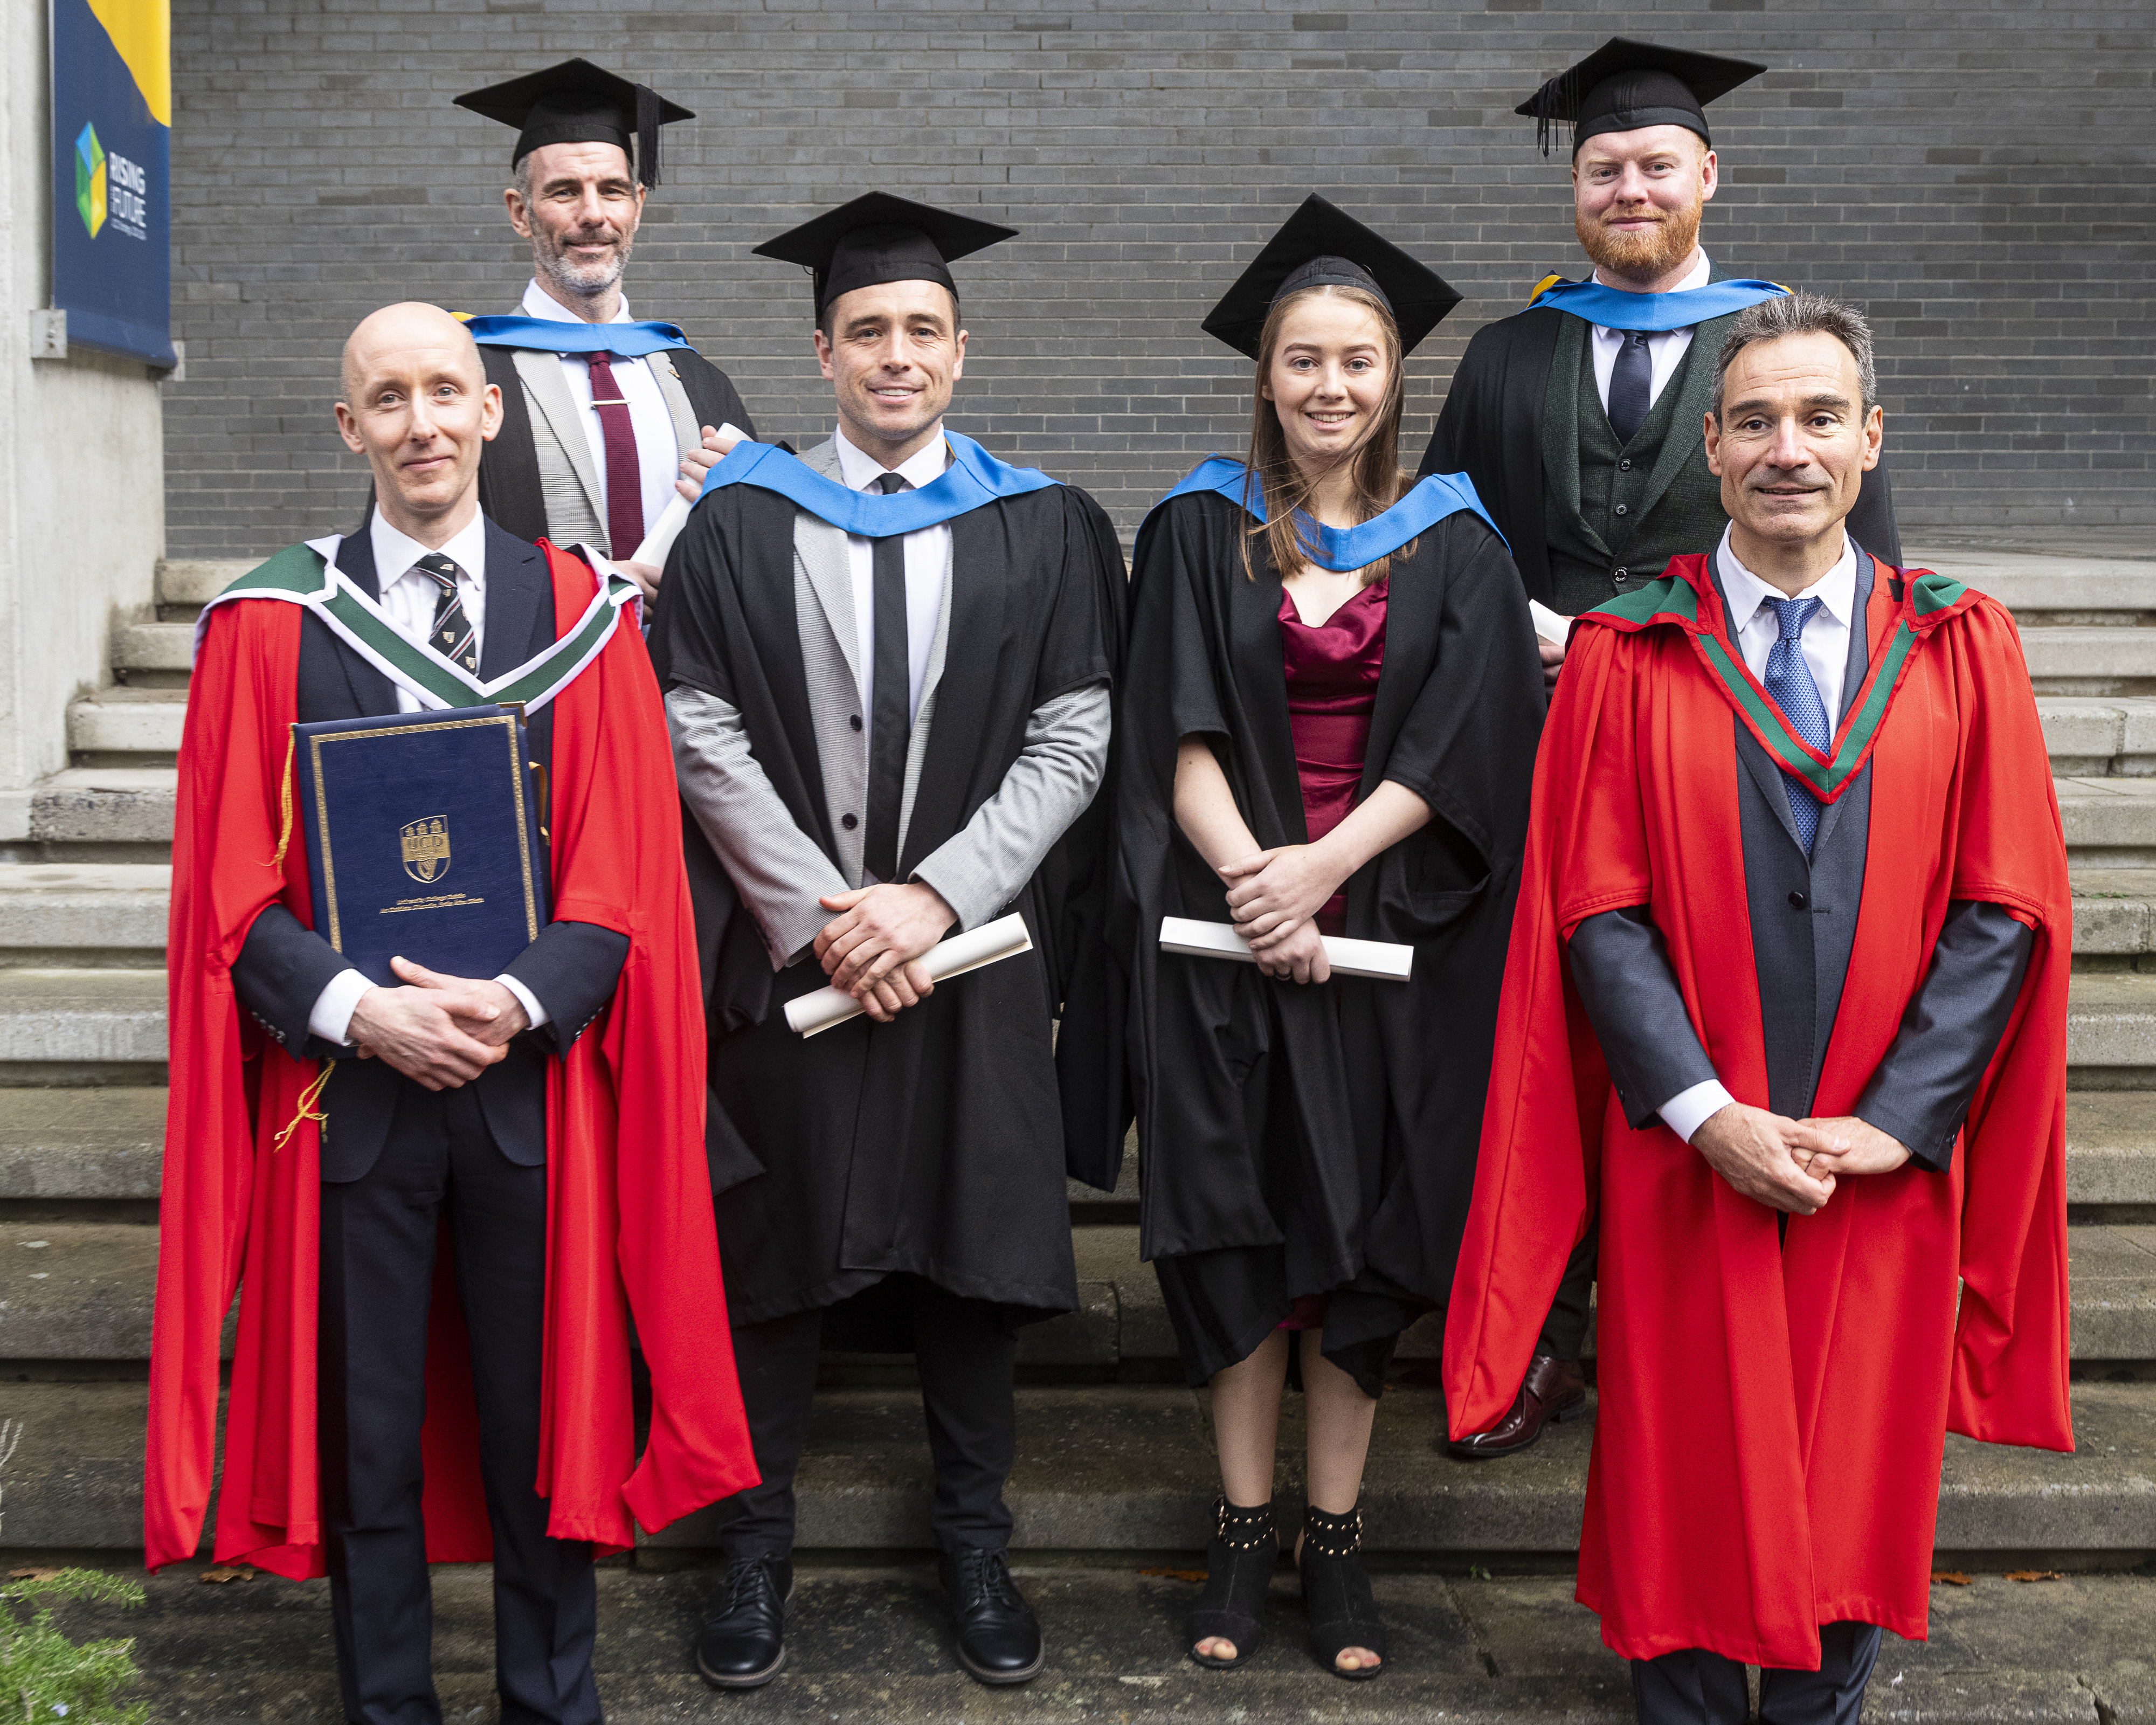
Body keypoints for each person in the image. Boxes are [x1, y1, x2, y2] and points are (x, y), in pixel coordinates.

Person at [1444, 294, 2071, 1724]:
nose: (1790, 448)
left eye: (1821, 417)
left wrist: (1899, 1125)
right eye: (1758, 422)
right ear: (1713, 450)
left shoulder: (1962, 645)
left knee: (1856, 1452)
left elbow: (2007, 904)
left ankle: (1822, 1700)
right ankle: (1679, 1700)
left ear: (1870, 441)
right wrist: (1704, 1108)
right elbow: (1592, 907)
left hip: (1879, 1156)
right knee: (1684, 1445)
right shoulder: (1627, 649)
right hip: (1691, 1146)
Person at [146, 301, 757, 1725]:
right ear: (348, 428)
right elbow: (229, 894)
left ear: (489, 413)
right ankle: (389, 1708)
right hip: (348, 1105)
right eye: (387, 399)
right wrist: (363, 1011)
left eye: (444, 392)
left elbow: (626, 878)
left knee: (546, 1435)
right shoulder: (269, 623)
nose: (420, 421)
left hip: (532, 1096)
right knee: (365, 1445)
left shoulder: (581, 617)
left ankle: (552, 1702)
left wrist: (518, 999)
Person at [647, 192, 1125, 1691]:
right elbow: (693, 718)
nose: (896, 357)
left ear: (961, 349)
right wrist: (820, 910)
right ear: (823, 350)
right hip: (795, 962)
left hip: (966, 962)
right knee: (776, 1252)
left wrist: (936, 900)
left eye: (923, 331)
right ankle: (754, 1543)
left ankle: (977, 1542)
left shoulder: (1043, 521)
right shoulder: (741, 518)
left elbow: (1077, 727)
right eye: (869, 332)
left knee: (973, 1255)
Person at [1419, 38, 1904, 1459]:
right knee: (1550, 1023)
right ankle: (1546, 1333)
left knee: (1711, 1015)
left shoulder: (1780, 355)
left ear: (1708, 175)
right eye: (1603, 169)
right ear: (1576, 190)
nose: (1629, 188)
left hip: (1731, 753)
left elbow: (1861, 564)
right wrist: (1534, 630)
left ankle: (1690, 1327)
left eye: (1653, 165)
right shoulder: (1512, 351)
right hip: (1538, 730)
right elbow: (1442, 537)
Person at [1105, 195, 1543, 1679]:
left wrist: (1328, 872)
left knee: (1359, 1249)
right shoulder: (1191, 531)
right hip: (1224, 937)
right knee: (1235, 1237)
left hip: (1394, 941)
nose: (1331, 386)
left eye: (1357, 360)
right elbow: (1169, 722)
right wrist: (1252, 883)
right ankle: (1242, 1533)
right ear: (1265, 376)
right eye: (1303, 361)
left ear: (1396, 374)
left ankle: (1340, 1549)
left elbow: (1469, 742)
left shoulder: (1459, 542)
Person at [452, 59, 759, 596]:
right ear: (520, 213)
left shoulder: (702, 384)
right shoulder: (464, 378)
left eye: (613, 190)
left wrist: (753, 496)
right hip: (533, 674)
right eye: (565, 191)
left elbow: (757, 563)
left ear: (638, 206)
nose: (593, 215)